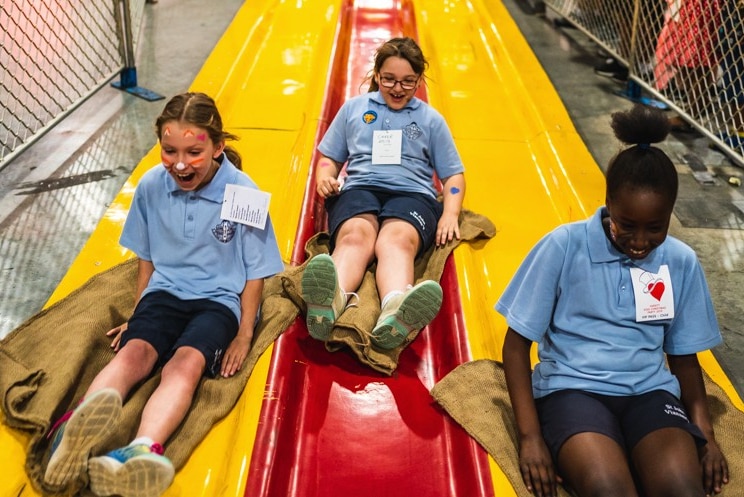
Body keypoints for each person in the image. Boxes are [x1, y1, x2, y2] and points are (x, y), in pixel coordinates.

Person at [43, 92, 285, 497]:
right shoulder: (152, 186)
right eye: (169, 150)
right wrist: (138, 312)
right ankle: (79, 424)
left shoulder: (243, 192)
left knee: (184, 365)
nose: (179, 163)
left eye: (194, 151)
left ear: (218, 146)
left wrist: (245, 333)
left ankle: (142, 449)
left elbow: (257, 272)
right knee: (134, 350)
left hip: (218, 301)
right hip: (165, 291)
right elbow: (147, 258)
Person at [497, 104, 729, 497]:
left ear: (672, 214)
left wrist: (704, 435)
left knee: (682, 488)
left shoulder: (681, 261)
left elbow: (684, 356)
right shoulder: (564, 246)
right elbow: (516, 344)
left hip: (649, 393)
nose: (640, 242)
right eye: (627, 226)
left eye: (655, 228)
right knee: (608, 488)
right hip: (572, 391)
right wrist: (530, 436)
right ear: (608, 205)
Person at [300, 37, 465, 350]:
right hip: (361, 187)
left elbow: (453, 174)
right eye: (389, 79)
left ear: (419, 80)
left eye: (408, 81)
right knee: (355, 236)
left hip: (412, 195)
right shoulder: (354, 109)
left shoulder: (431, 120)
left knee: (395, 240)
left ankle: (395, 311)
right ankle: (329, 303)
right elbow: (329, 157)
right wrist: (326, 177)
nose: (398, 89)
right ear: (376, 75)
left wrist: (451, 212)